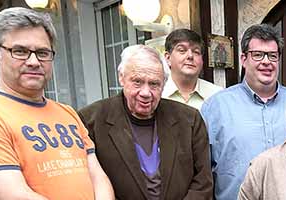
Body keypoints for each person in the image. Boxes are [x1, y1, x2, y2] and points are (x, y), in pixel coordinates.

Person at [0, 7, 113, 199]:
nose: (34, 61)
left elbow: (98, 177)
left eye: (42, 53)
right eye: (20, 51)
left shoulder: (67, 113)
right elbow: (18, 196)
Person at [78, 45, 213, 200]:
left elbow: (203, 182)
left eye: (154, 84)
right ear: (122, 78)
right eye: (137, 82)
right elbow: (87, 184)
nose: (145, 93)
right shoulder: (90, 121)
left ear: (163, 84)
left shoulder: (189, 120)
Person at [201, 24, 286, 200]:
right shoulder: (216, 107)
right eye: (258, 55)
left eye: (272, 56)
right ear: (244, 59)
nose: (266, 61)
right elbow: (202, 172)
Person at [162, 28, 223, 110]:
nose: (190, 56)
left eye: (196, 52)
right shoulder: (157, 93)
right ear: (168, 58)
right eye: (182, 50)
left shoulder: (217, 95)